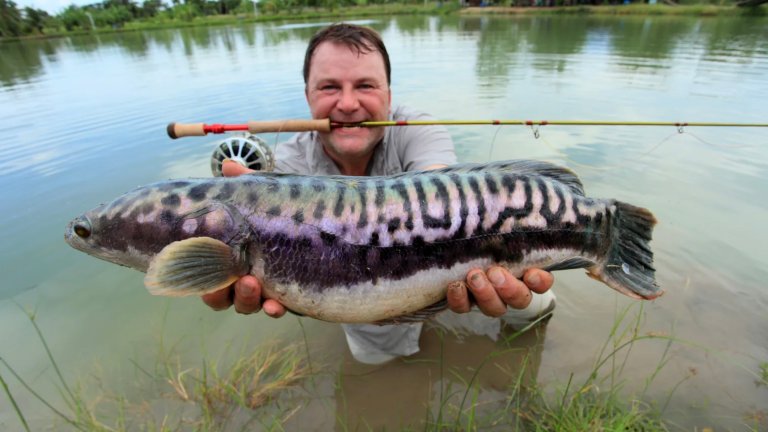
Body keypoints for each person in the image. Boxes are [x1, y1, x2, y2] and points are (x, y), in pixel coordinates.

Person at [201, 23, 556, 364]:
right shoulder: (287, 167)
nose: (348, 103)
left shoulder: (419, 131)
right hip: (362, 290)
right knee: (377, 356)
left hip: (452, 262)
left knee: (533, 300)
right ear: (307, 96)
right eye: (329, 87)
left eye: (366, 85)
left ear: (388, 93)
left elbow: (442, 196)